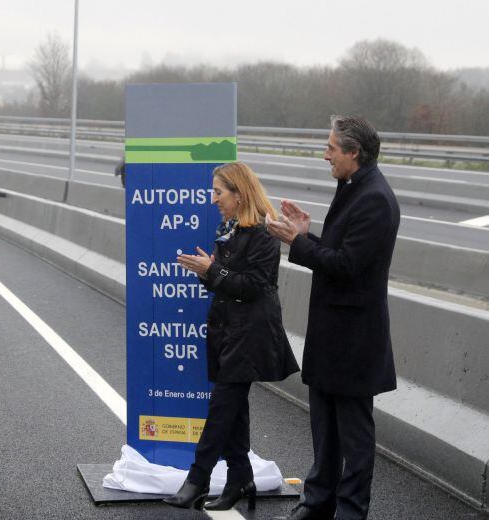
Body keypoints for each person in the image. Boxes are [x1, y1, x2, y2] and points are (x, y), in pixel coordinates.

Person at [267, 115, 400, 520]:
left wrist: (298, 243)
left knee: (355, 436)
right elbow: (342, 253)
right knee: (324, 428)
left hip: (355, 340)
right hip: (333, 335)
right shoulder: (353, 187)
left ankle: (351, 509)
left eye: (331, 148)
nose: (325, 155)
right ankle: (318, 500)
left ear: (353, 152)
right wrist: (307, 234)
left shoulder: (374, 197)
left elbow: (346, 265)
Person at [165, 162, 299, 511]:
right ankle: (241, 478)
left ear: (239, 194)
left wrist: (215, 270)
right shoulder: (232, 228)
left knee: (222, 406)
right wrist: (205, 271)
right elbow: (225, 282)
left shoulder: (266, 234)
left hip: (251, 334)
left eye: (219, 192)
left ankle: (198, 478)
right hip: (228, 330)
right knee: (234, 407)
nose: (213, 199)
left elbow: (254, 286)